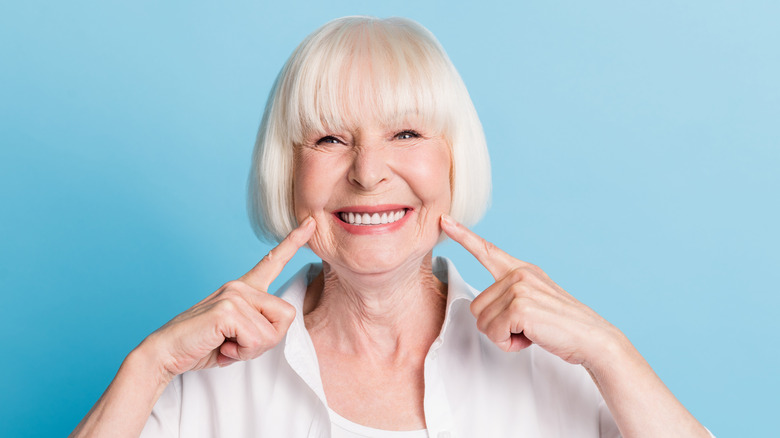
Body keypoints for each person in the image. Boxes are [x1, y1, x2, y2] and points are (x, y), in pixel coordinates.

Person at [71, 16, 712, 438]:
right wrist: (149, 364)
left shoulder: (556, 364)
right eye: (329, 139)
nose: (369, 172)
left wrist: (610, 351)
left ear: (454, 161)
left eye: (406, 132)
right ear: (287, 172)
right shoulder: (202, 384)